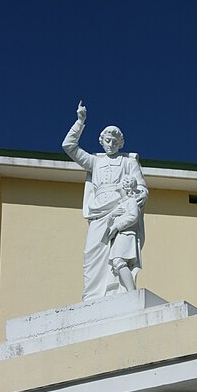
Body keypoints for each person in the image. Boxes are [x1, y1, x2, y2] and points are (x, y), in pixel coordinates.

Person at [62, 101, 148, 300]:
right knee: (91, 253)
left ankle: (120, 292)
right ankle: (92, 296)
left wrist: (137, 195)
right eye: (107, 140)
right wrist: (80, 121)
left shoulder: (128, 162)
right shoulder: (94, 161)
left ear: (120, 143)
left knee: (117, 257)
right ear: (102, 141)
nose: (110, 144)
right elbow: (68, 146)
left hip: (119, 208)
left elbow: (142, 188)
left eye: (114, 142)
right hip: (98, 211)